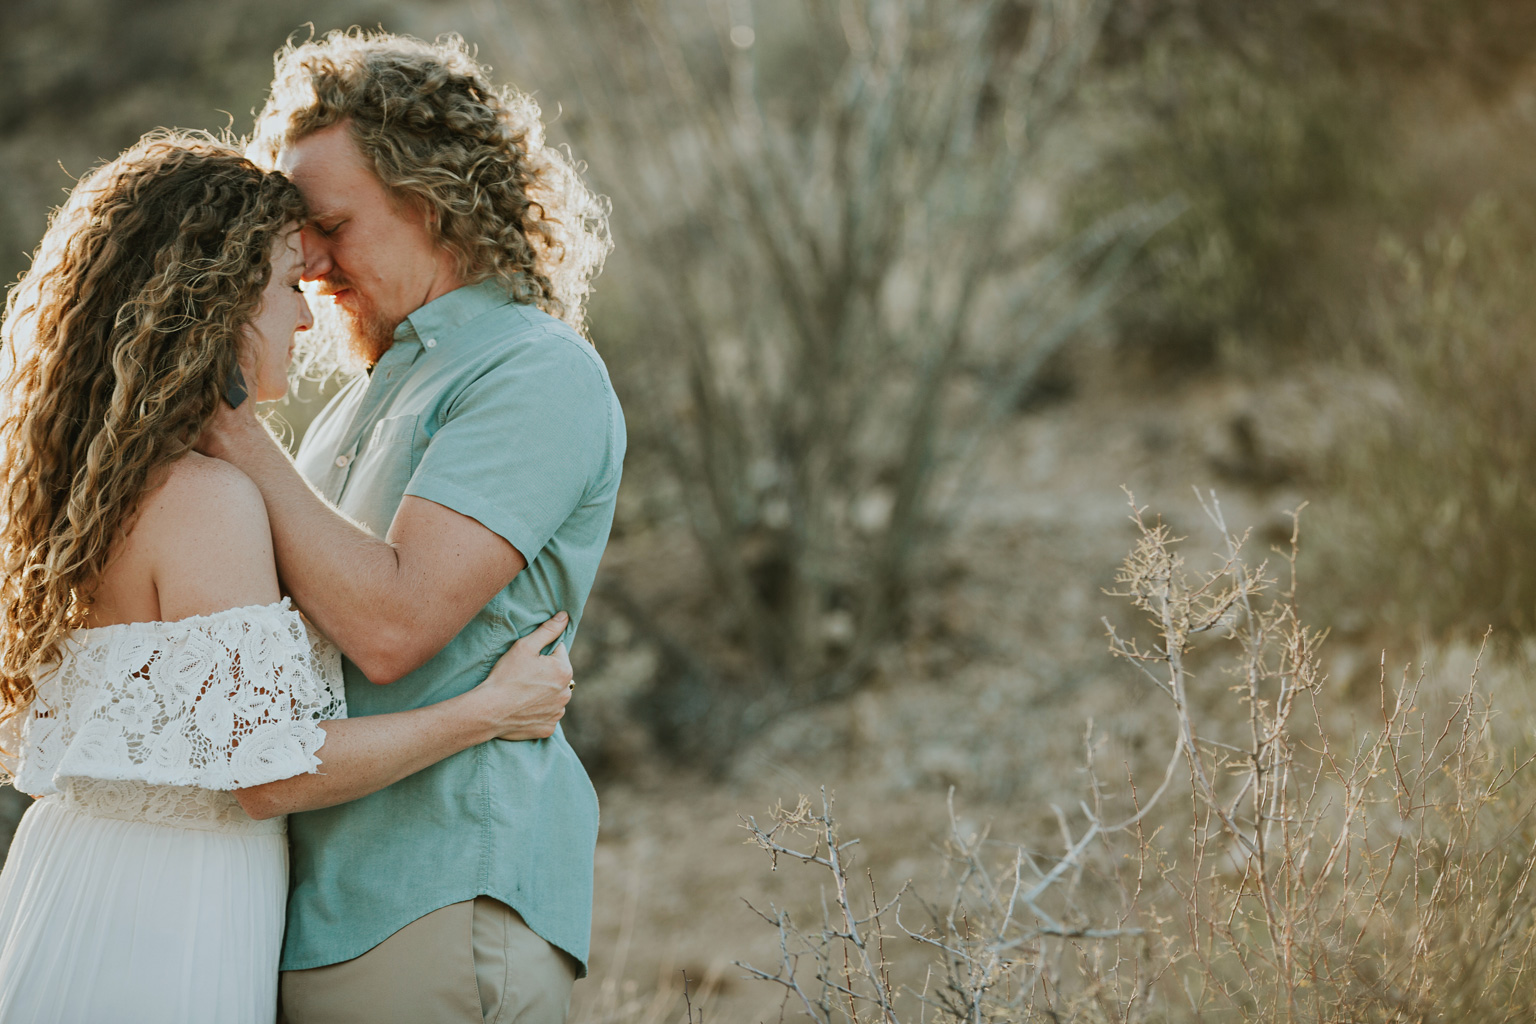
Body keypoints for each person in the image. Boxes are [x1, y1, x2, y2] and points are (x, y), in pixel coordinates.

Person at [0, 132, 576, 1024]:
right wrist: (485, 713)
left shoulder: (89, 489)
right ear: (216, 305)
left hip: (76, 881)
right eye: (285, 290)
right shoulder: (207, 501)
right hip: (171, 916)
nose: (304, 321)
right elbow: (267, 771)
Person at [200, 30, 623, 1024]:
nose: (305, 260)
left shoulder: (532, 371)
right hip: (319, 906)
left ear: (431, 201)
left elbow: (392, 628)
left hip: (438, 893)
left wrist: (238, 437)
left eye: (330, 224)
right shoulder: (366, 396)